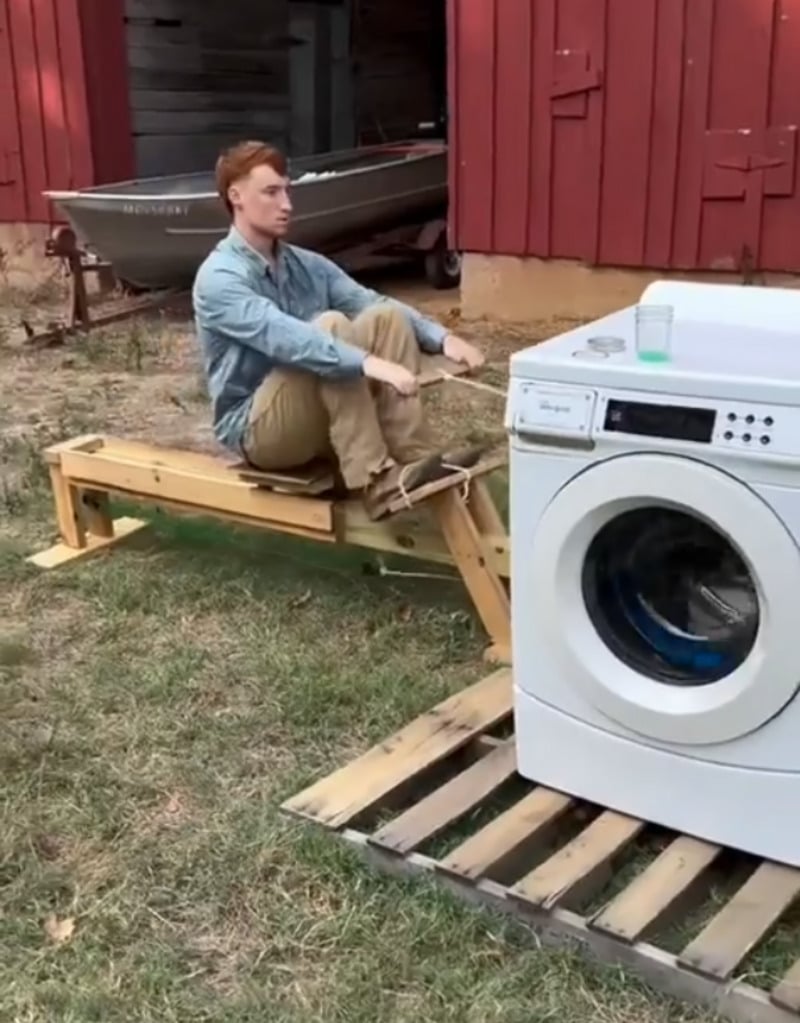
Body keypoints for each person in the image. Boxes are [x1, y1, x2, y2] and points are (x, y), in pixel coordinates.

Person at [192, 140, 487, 520]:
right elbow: (288, 338)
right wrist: (368, 363)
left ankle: (415, 458)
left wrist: (444, 338)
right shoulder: (219, 277)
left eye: (287, 191)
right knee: (329, 326)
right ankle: (374, 479)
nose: (287, 204)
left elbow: (370, 301)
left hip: (317, 416)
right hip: (259, 433)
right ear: (236, 196)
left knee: (386, 318)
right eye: (271, 192)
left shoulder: (305, 264)